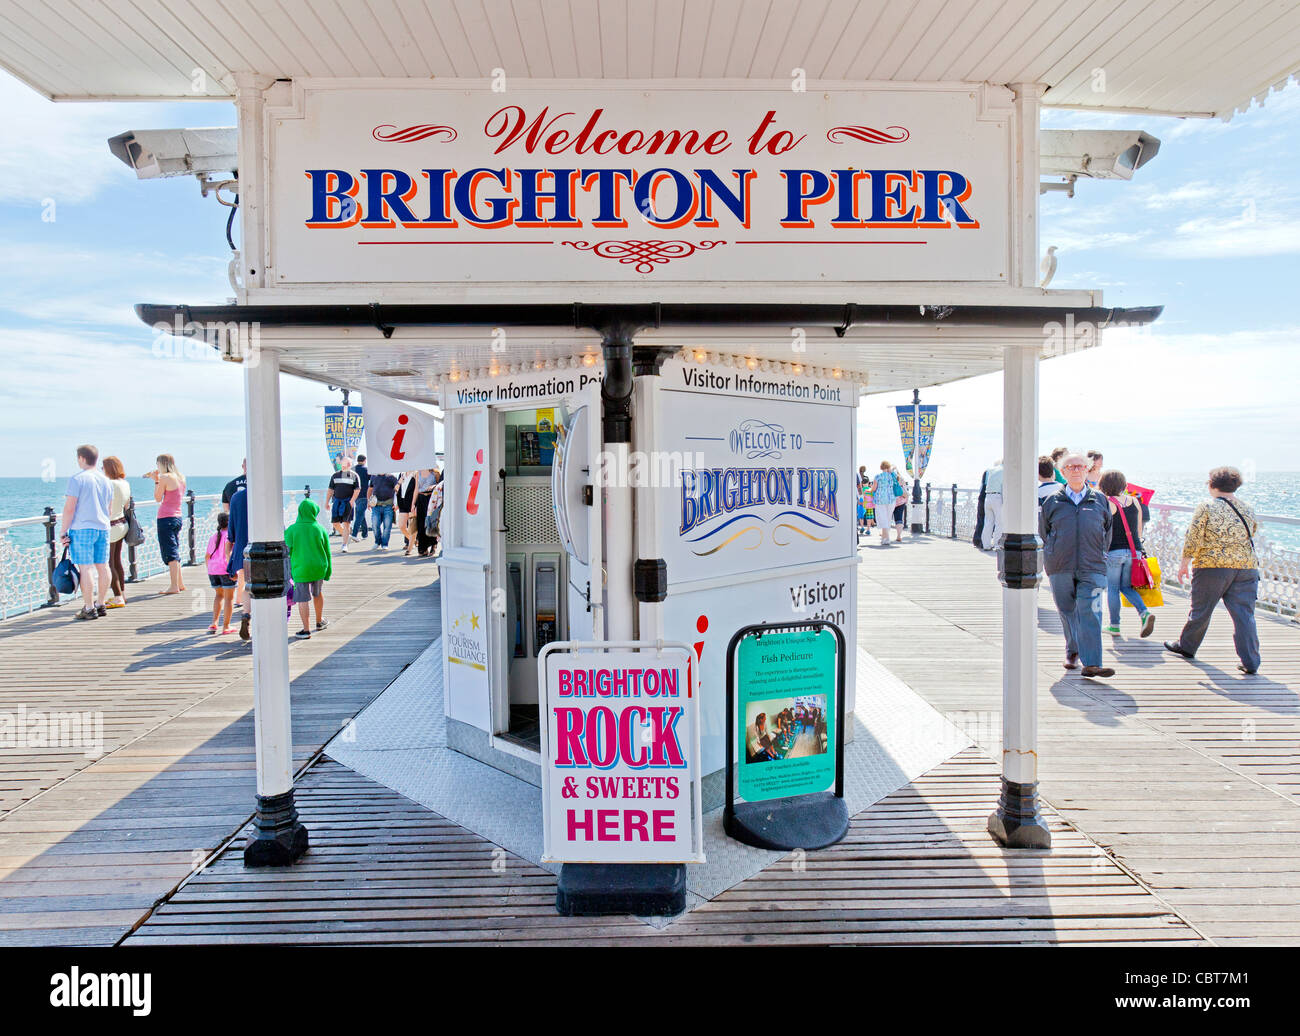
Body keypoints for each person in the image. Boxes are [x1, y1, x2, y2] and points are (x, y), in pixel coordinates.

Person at [1165, 466, 1261, 675]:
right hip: (1246, 567)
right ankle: (1251, 661)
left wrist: (1184, 563)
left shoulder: (1207, 506)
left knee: (1201, 609)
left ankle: (1187, 646)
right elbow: (1253, 531)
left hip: (1212, 566)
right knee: (1244, 615)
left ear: (1212, 484)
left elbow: (1194, 536)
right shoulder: (1247, 507)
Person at [1040, 452, 1115, 678]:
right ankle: (1072, 650)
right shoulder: (1052, 501)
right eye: (1070, 467)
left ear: (1087, 470)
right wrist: (1053, 551)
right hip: (1060, 565)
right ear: (1062, 472)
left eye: (1080, 466)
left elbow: (1107, 532)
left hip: (1092, 565)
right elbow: (1044, 532)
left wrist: (1100, 554)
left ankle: (1092, 663)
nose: (1076, 470)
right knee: (1067, 609)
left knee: (1091, 610)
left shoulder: (1099, 500)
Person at [1097, 469, 1156, 639]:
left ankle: (1114, 626)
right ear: (1123, 484)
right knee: (1126, 587)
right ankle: (1144, 613)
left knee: (1113, 589)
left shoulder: (1107, 503)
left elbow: (1102, 530)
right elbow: (1138, 530)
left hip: (1114, 552)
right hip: (1134, 551)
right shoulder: (1135, 502)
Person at [59, 444, 113, 620]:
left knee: (86, 568)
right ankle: (101, 603)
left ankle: (89, 607)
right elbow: (109, 509)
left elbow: (69, 508)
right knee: (103, 566)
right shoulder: (106, 480)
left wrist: (63, 531)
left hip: (82, 528)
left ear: (81, 458)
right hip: (103, 527)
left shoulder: (77, 479)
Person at [285, 498, 332, 639]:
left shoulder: (292, 529)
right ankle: (319, 621)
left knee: (302, 599)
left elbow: (287, 548)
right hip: (318, 567)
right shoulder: (320, 529)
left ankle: (306, 630)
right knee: (317, 593)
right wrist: (328, 571)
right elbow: (327, 552)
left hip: (301, 569)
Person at [147, 453, 186, 594]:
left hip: (166, 517)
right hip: (177, 517)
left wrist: (156, 481)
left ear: (162, 464)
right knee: (175, 548)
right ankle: (180, 583)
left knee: (170, 552)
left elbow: (157, 498)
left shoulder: (164, 477)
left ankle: (174, 586)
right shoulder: (181, 478)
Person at [102, 455, 131, 608]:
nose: (101, 470)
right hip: (122, 524)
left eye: (103, 467)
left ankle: (118, 596)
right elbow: (127, 505)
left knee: (109, 562)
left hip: (111, 525)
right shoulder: (124, 483)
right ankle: (122, 593)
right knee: (117, 560)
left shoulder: (109, 484)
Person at [221, 459, 247, 608]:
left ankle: (239, 599)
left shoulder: (231, 486)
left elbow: (227, 512)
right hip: (254, 530)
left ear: (243, 466)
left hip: (238, 529)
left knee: (242, 569)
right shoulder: (260, 487)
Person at [205, 512, 236, 634]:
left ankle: (214, 622)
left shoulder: (214, 536)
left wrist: (209, 569)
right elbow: (230, 555)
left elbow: (207, 555)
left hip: (213, 570)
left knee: (219, 595)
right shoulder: (230, 536)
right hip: (225, 569)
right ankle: (226, 626)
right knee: (229, 598)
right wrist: (233, 570)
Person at [227, 484, 251, 640]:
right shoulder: (267, 493)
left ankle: (246, 614)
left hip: (242, 548)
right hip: (264, 546)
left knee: (248, 585)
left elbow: (232, 531)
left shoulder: (236, 497)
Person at [325, 456, 361, 552]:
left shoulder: (354, 475)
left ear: (350, 465)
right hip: (336, 501)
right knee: (335, 524)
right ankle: (347, 536)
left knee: (346, 524)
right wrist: (327, 502)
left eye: (347, 464)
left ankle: (344, 545)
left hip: (348, 502)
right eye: (343, 464)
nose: (344, 466)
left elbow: (357, 489)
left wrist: (352, 501)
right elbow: (330, 489)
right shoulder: (335, 475)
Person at [871, 461, 904, 546]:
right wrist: (893, 470)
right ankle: (884, 538)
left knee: (882, 518)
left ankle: (886, 538)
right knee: (888, 518)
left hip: (880, 499)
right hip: (891, 499)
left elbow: (874, 488)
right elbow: (900, 483)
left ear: (881, 467)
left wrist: (869, 490)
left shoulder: (878, 476)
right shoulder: (892, 476)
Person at [368, 468, 400, 550]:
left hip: (388, 505)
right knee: (375, 525)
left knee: (387, 526)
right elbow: (370, 489)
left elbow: (397, 490)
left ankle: (385, 543)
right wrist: (368, 501)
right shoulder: (373, 476)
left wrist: (397, 504)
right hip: (376, 505)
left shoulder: (392, 477)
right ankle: (377, 541)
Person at [976, 459, 1004, 551]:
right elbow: (1004, 486)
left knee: (988, 522)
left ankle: (986, 544)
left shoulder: (992, 470)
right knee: (999, 522)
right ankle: (997, 544)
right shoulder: (1005, 471)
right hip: (997, 497)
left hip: (988, 497)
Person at [413, 467, 438, 557]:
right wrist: (413, 504)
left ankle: (433, 545)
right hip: (421, 498)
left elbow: (440, 486)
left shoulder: (435, 473)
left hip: (431, 499)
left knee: (431, 522)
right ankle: (423, 548)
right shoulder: (417, 473)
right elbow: (416, 489)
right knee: (421, 524)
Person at [396, 470, 418, 555]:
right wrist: (399, 482)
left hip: (411, 502)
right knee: (401, 526)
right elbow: (396, 489)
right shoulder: (401, 474)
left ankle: (409, 548)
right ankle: (413, 541)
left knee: (412, 526)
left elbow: (416, 489)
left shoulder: (415, 474)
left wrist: (414, 503)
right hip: (402, 502)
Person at [350, 453, 371, 540]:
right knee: (360, 514)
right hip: (364, 494)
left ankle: (365, 534)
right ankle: (354, 534)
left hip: (354, 495)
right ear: (364, 461)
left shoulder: (352, 469)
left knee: (360, 513)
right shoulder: (367, 470)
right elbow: (372, 481)